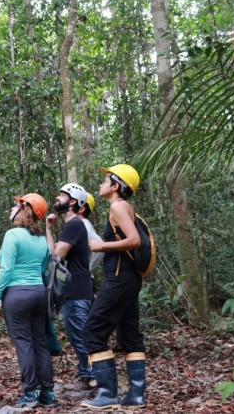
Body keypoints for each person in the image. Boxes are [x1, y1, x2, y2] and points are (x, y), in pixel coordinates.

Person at [81, 164, 146, 409]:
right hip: (128, 279)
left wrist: (101, 246)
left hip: (119, 279)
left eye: (106, 179)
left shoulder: (118, 206)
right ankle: (136, 396)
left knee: (93, 331)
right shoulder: (125, 207)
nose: (101, 184)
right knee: (130, 335)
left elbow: (134, 240)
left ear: (116, 186)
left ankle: (107, 394)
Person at [0, 193, 56, 408]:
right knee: (39, 342)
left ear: (23, 210)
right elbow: (45, 265)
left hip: (17, 295)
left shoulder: (13, 235)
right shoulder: (40, 239)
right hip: (38, 294)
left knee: (24, 344)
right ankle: (48, 393)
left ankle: (30, 392)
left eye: (14, 206)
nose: (11, 209)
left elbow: (7, 268)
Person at [45, 183, 95, 390]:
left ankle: (95, 377)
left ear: (73, 201)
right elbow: (54, 253)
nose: (58, 197)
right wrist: (48, 229)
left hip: (77, 289)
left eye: (62, 195)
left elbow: (57, 255)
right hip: (75, 290)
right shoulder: (70, 226)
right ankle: (87, 373)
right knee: (77, 334)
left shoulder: (74, 224)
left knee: (80, 334)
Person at [78, 193, 105, 294]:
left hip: (83, 282)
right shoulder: (79, 223)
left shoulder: (83, 224)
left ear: (82, 208)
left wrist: (88, 271)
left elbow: (100, 248)